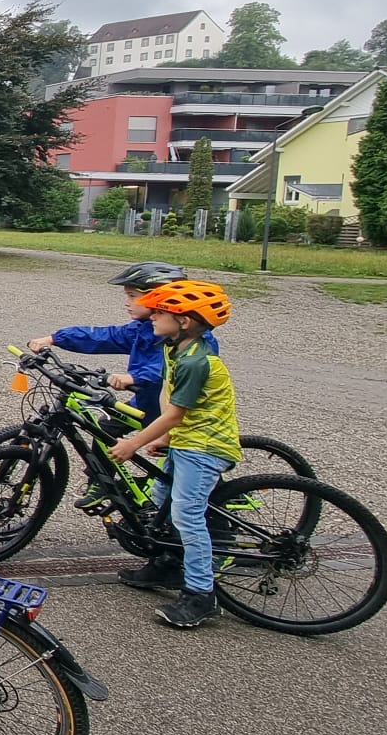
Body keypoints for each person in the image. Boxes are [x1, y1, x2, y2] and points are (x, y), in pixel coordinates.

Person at [105, 280, 239, 629]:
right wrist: (165, 436)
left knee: (186, 514)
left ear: (185, 322)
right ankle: (167, 563)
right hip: (185, 439)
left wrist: (133, 443)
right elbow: (168, 392)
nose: (153, 316)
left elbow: (176, 412)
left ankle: (200, 595)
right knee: (161, 500)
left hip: (205, 446)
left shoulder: (198, 361)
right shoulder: (174, 347)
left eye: (162, 312)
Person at [24, 262, 221, 428]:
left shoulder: (195, 339)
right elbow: (103, 337)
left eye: (132, 296)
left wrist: (133, 377)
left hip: (181, 417)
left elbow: (169, 370)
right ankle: (100, 475)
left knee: (177, 467)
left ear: (160, 298)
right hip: (147, 406)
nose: (127, 302)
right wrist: (55, 338)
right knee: (105, 430)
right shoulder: (143, 329)